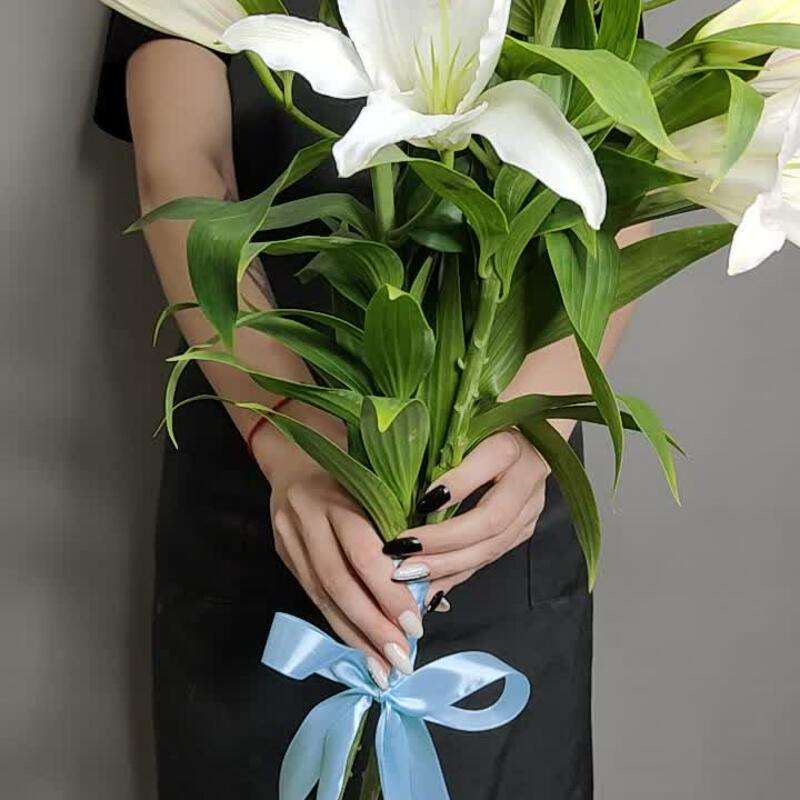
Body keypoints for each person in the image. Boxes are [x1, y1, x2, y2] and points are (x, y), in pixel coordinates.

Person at [95, 3, 647, 796]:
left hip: (490, 510)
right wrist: (286, 433)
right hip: (268, 485)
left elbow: (620, 183)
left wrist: (533, 428)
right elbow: (183, 167)